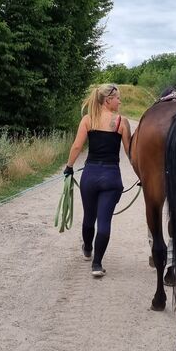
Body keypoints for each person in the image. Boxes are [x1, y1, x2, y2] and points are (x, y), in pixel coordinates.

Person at [63, 84, 132, 277]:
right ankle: (97, 264)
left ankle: (87, 248)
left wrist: (69, 167)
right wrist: (142, 175)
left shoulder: (88, 119)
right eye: (117, 98)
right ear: (108, 100)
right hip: (111, 177)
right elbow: (129, 152)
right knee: (104, 221)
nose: (120, 101)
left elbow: (77, 146)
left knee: (89, 216)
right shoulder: (121, 122)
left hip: (90, 176)